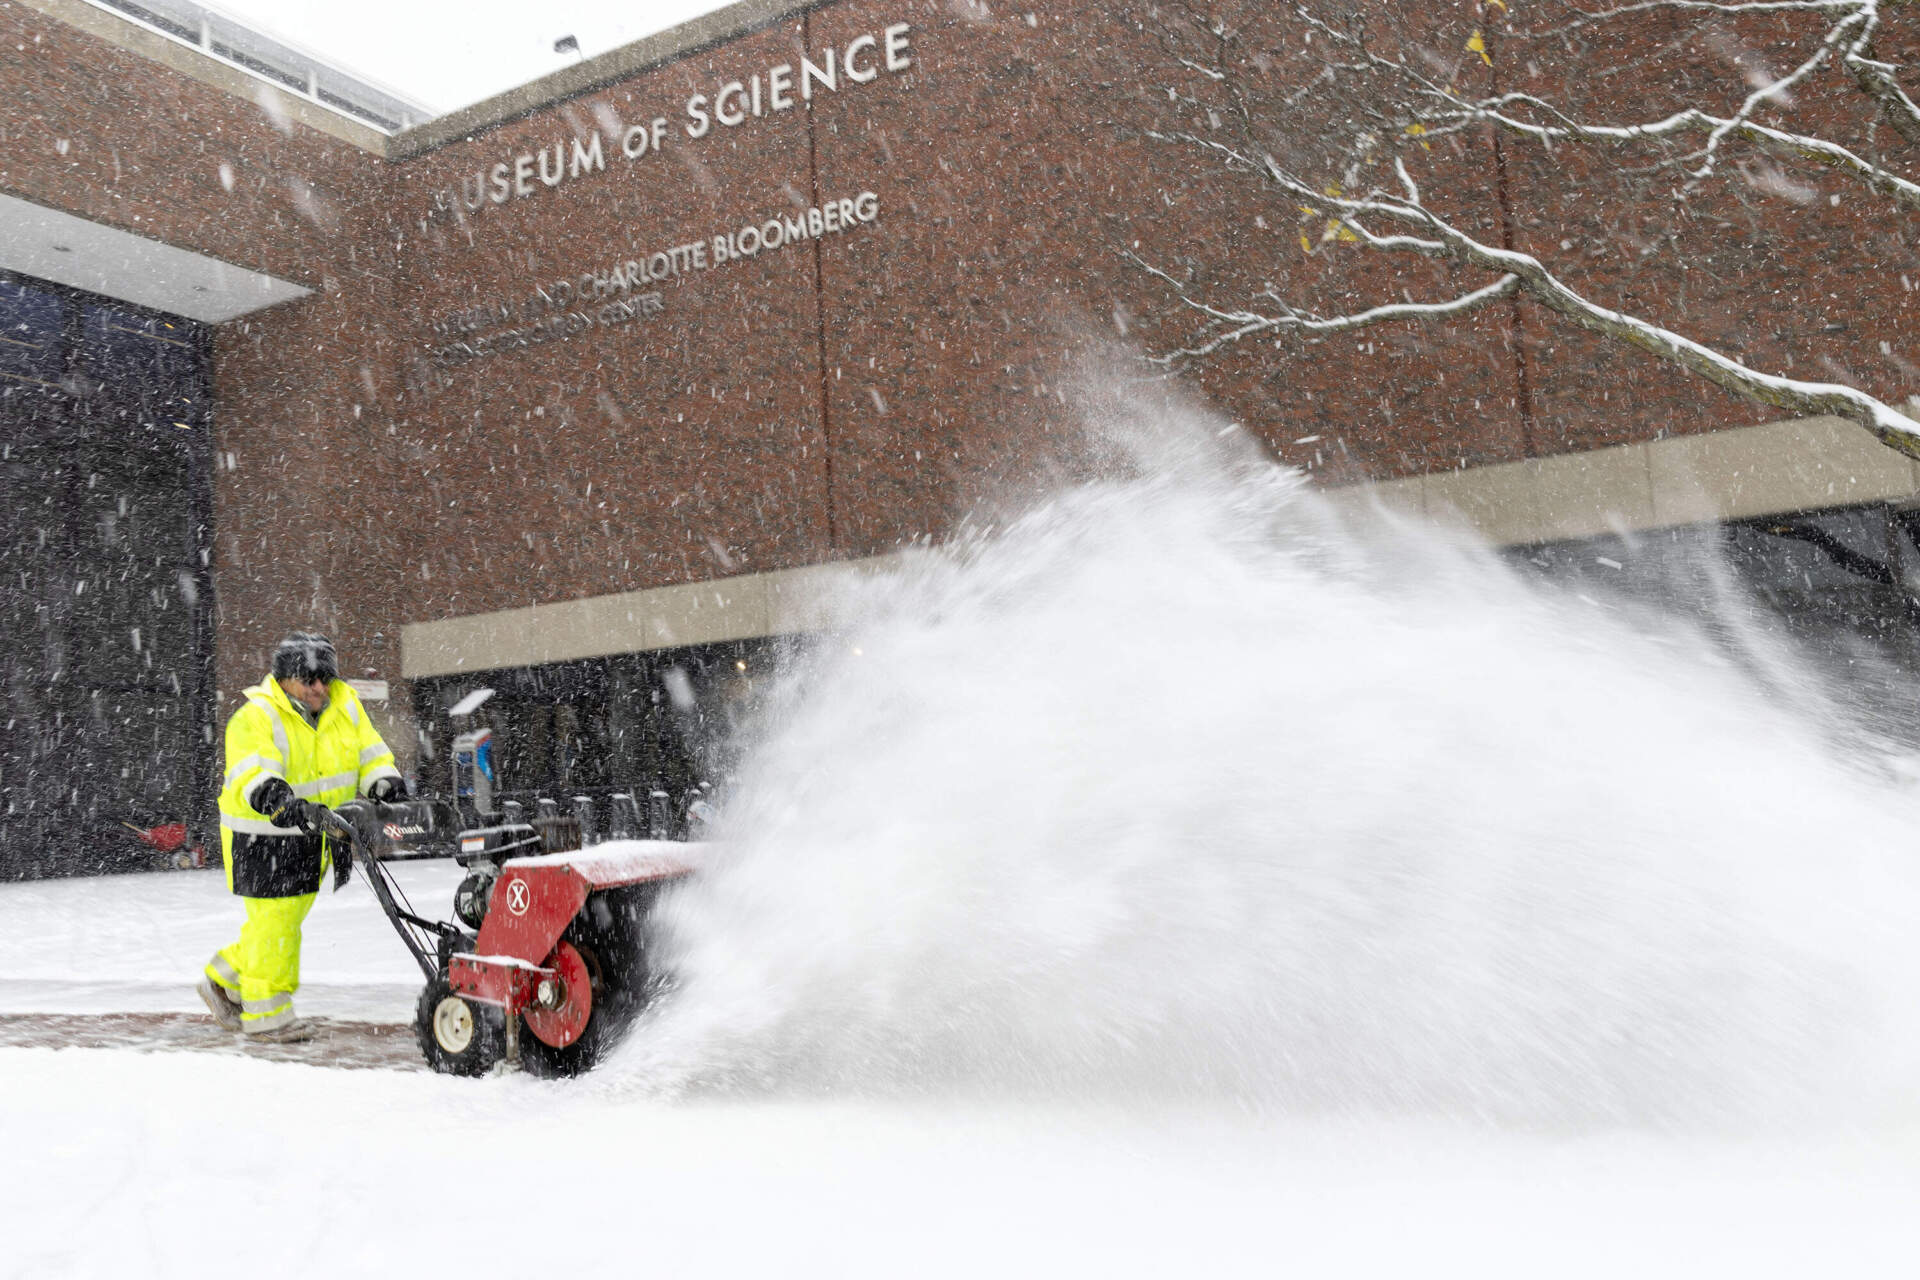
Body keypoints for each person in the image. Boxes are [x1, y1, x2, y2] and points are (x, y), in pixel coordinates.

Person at [196, 632, 406, 1042]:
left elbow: (371, 753)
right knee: (277, 923)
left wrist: (384, 782)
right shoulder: (256, 716)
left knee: (283, 920)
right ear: (286, 679)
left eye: (325, 679)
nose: (319, 689)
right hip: (261, 836)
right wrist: (277, 798)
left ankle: (224, 978)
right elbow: (252, 773)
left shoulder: (345, 706)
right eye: (310, 680)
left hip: (315, 832)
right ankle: (266, 1013)